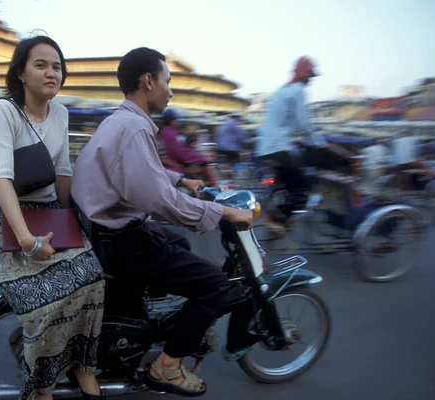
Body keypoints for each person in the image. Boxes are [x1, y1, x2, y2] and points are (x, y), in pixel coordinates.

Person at [71, 47, 253, 397]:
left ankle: (151, 326)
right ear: (149, 80)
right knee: (214, 283)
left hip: (105, 233)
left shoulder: (122, 120)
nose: (170, 90)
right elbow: (159, 201)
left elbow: (140, 173)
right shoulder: (137, 128)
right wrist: (223, 214)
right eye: (167, 81)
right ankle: (166, 366)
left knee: (179, 243)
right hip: (122, 242)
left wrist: (181, 179)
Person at [0, 35, 105, 400]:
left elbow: (62, 173)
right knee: (48, 296)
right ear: (21, 72)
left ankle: (84, 367)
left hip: (47, 215)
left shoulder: (61, 113)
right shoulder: (4, 110)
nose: (51, 72)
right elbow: (2, 179)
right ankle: (41, 387)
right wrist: (28, 242)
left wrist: (77, 217)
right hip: (5, 220)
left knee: (92, 277)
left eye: (57, 66)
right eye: (41, 65)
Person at [255, 56, 353, 234]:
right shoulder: (298, 90)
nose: (310, 80)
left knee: (289, 181)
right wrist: (320, 144)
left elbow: (283, 122)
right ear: (304, 74)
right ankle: (276, 219)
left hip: (265, 148)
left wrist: (297, 139)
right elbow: (304, 123)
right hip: (279, 148)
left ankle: (278, 218)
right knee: (302, 190)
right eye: (310, 76)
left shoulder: (280, 91)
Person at [157, 108, 218, 186]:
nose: (178, 123)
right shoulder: (170, 134)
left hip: (173, 163)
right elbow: (180, 152)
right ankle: (213, 188)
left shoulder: (166, 133)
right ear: (172, 122)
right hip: (174, 166)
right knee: (205, 166)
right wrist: (200, 158)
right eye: (176, 120)